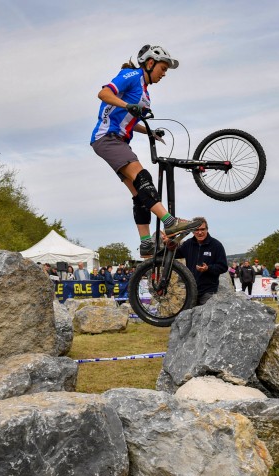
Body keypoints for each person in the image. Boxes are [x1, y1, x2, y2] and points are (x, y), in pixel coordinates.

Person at [91, 44, 203, 258]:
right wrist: (127, 105)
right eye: (163, 68)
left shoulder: (144, 91)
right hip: (107, 137)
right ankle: (170, 222)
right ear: (150, 63)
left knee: (139, 194)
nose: (164, 74)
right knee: (143, 177)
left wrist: (148, 133)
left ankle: (145, 244)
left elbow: (129, 120)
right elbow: (103, 93)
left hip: (118, 140)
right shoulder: (131, 75)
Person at [171, 219, 228, 306]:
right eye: (196, 230)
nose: (200, 232)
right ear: (192, 231)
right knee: (189, 317)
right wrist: (168, 243)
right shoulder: (188, 244)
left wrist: (208, 268)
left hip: (208, 291)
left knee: (206, 318)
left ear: (207, 229)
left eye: (202, 229)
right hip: (191, 290)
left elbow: (223, 267)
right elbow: (174, 254)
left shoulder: (216, 245)